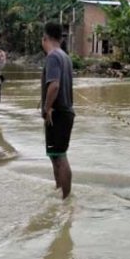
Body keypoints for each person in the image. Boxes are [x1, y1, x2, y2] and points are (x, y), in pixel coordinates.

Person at [40, 23, 75, 199]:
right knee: (56, 156)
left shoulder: (53, 57)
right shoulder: (65, 56)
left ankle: (66, 199)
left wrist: (47, 108)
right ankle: (60, 193)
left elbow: (54, 85)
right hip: (65, 111)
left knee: (59, 157)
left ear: (45, 38)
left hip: (58, 113)